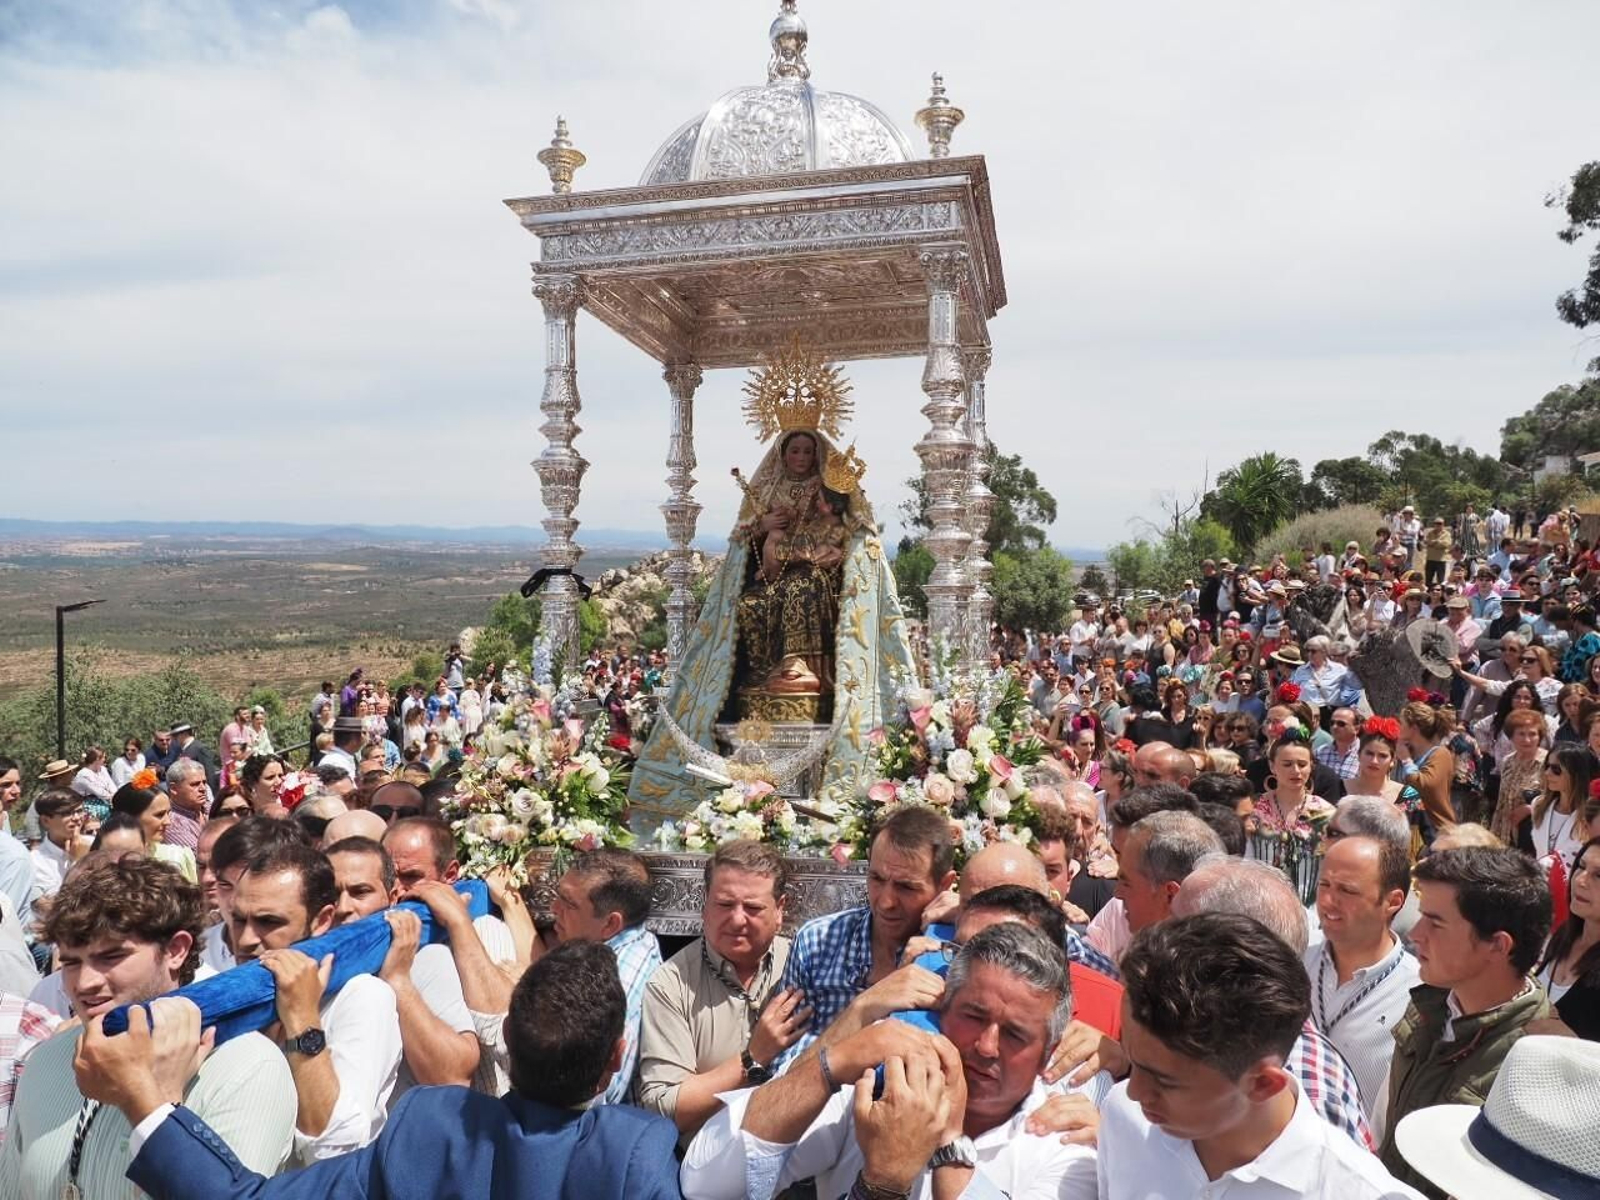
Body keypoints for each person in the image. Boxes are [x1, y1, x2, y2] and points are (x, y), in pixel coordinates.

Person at [79, 941, 683, 1200]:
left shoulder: (430, 1128)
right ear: (615, 1059)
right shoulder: (636, 1154)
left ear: (507, 1044)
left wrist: (145, 1097)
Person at [681, 921, 1098, 1200]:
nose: (987, 1046)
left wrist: (947, 1144)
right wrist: (830, 1064)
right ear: (941, 1008)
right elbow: (706, 1182)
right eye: (974, 1016)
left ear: (1047, 1052)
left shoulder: (1070, 1147)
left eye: (1015, 1034)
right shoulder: (872, 1086)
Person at [0, 855, 296, 1198]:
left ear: (176, 950)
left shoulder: (245, 1069)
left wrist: (161, 1108)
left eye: (110, 956)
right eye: (71, 962)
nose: (85, 982)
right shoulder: (46, 1062)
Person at [1097, 914, 1419, 1199]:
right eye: (1133, 1062)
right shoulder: (1123, 1117)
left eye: (1164, 1081)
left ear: (1263, 1084)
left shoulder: (1360, 1192)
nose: (1134, 1091)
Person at [214, 822, 403, 1162]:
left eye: (269, 922)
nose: (245, 940)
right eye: (239, 919)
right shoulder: (233, 984)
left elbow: (335, 1148)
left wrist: (302, 1019)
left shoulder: (362, 997)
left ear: (322, 920)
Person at [1377, 847, 1555, 1196]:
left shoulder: (1542, 1065)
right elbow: (1383, 1123)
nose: (1416, 933)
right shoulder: (1429, 1004)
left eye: (1436, 923)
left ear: (1498, 945)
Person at [637, 840, 800, 1141]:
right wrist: (752, 1058)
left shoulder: (804, 963)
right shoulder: (671, 984)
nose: (737, 919)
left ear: (780, 910)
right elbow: (664, 1107)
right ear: (705, 904)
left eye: (753, 908)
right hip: (702, 1158)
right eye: (724, 905)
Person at [775, 805, 957, 1067]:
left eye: (906, 887)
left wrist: (970, 918)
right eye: (877, 878)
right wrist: (865, 1008)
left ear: (945, 885)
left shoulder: (955, 953)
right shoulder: (816, 943)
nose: (886, 902)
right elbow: (781, 1068)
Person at [324, 837, 480, 1098]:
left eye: (360, 892)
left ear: (393, 897)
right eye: (332, 895)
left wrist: (398, 980)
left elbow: (455, 1076)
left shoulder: (425, 958)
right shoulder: (304, 962)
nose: (344, 908)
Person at [1305, 836, 1421, 1113]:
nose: (1327, 901)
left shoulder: (1420, 993)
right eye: (1324, 885)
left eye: (1347, 890)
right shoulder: (1295, 955)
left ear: (1392, 902)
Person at [548, 848, 661, 1104]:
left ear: (611, 924)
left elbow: (598, 1093)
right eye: (558, 895)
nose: (554, 908)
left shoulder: (621, 982)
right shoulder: (608, 949)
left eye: (568, 903)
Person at [110, 781, 196, 882]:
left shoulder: (176, 856)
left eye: (168, 813)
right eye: (159, 815)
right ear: (130, 817)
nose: (168, 822)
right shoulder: (106, 862)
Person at [28, 788, 89, 898]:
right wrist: (77, 862)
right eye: (67, 813)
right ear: (45, 821)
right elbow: (61, 903)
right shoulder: (36, 861)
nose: (76, 818)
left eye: (79, 811)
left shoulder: (95, 843)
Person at [162, 757, 211, 852]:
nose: (203, 788)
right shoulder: (173, 824)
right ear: (174, 788)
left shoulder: (211, 807)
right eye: (195, 784)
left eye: (204, 782)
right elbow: (202, 855)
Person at [1314, 707, 1362, 781]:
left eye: (1341, 724)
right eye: (1332, 723)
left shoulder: (1365, 754)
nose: (1334, 727)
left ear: (1356, 729)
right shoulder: (1319, 752)